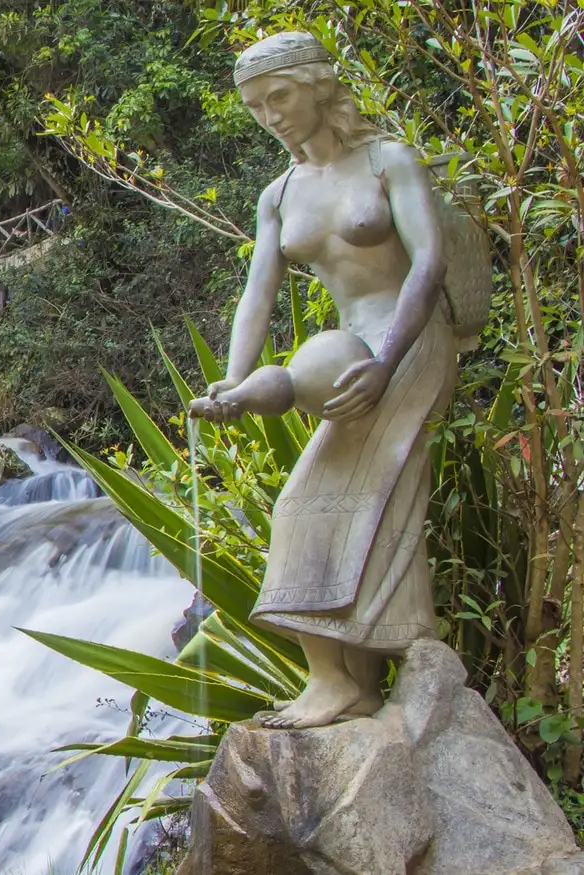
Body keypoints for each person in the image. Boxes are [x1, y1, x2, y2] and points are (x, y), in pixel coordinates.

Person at [190, 32, 474, 729]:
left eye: (279, 96)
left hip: (406, 342)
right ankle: (359, 683)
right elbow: (258, 294)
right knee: (360, 499)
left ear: (318, 84)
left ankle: (332, 680)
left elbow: (429, 262)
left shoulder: (388, 161)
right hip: (350, 352)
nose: (271, 115)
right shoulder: (279, 193)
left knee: (302, 503)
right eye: (256, 106)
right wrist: (230, 380)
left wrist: (387, 363)